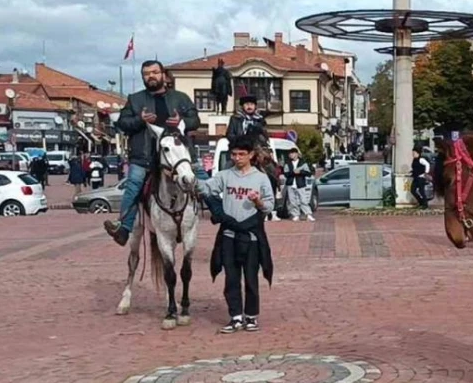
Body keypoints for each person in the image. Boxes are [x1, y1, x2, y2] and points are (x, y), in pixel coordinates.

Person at [103, 60, 200, 246]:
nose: (151, 76)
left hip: (177, 156)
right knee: (133, 185)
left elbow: (195, 119)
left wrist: (183, 121)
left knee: (200, 181)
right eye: (146, 74)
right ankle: (123, 227)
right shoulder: (135, 99)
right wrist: (140, 119)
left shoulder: (180, 98)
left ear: (163, 74)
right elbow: (122, 123)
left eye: (155, 72)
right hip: (144, 157)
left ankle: (218, 213)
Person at [198, 134, 275, 334]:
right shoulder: (225, 175)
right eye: (234, 154)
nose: (237, 158)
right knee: (231, 278)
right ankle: (235, 316)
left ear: (251, 155)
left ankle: (251, 316)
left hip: (251, 236)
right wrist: (189, 177)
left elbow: (269, 205)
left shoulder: (260, 178)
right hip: (229, 235)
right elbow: (206, 189)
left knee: (251, 277)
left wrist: (258, 202)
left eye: (241, 154)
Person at [282, 147, 315, 222]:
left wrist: (300, 172)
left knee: (303, 199)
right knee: (292, 200)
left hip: (300, 183)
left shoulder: (303, 163)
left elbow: (308, 173)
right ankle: (295, 215)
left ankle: (308, 214)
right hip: (290, 184)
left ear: (296, 154)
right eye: (290, 154)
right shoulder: (287, 163)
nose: (291, 155)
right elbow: (286, 174)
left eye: (292, 153)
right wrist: (293, 172)